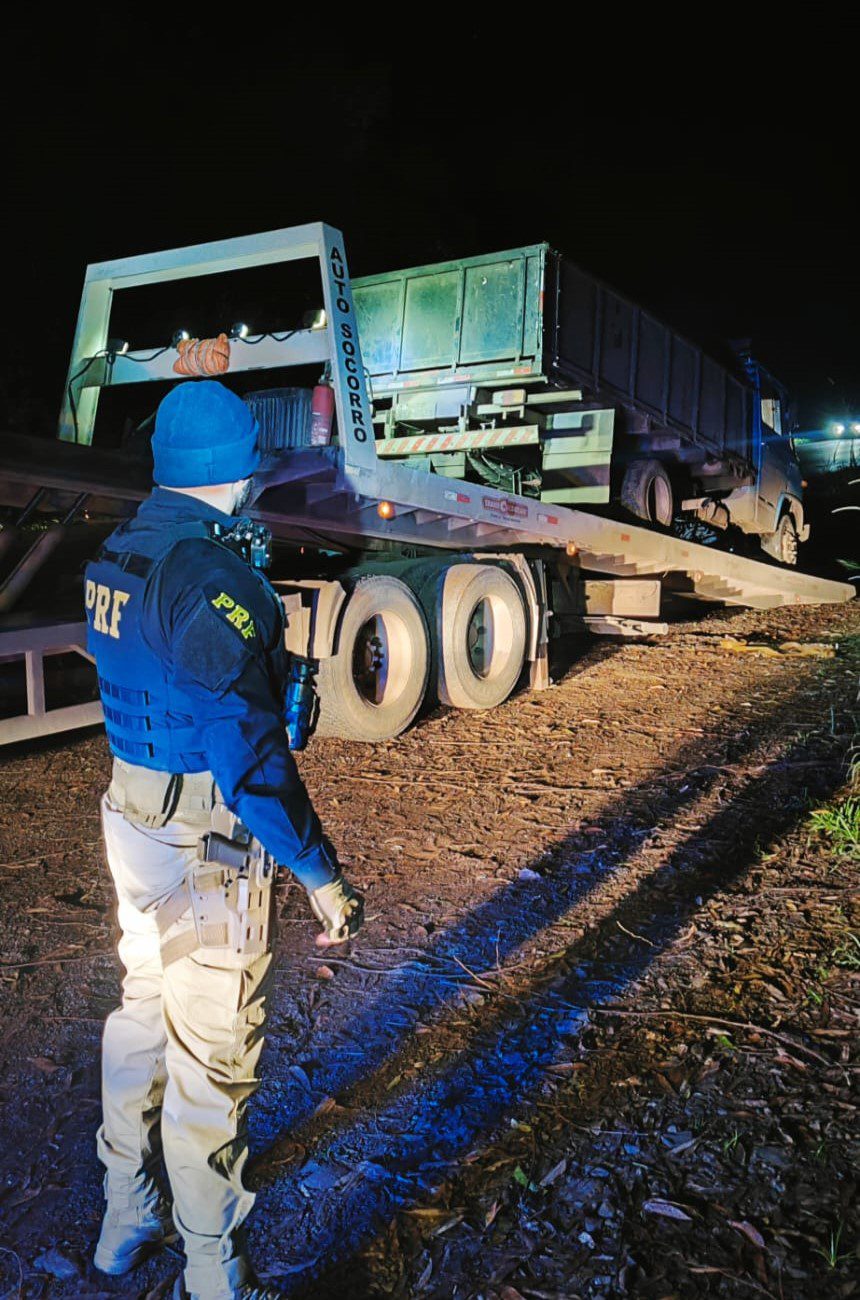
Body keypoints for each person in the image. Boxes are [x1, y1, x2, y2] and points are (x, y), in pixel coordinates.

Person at [84, 379, 363, 1300]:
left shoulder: (119, 550)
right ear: (234, 472)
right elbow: (247, 755)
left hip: (132, 815)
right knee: (211, 1057)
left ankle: (125, 1215)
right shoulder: (207, 578)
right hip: (203, 840)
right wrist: (317, 870)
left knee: (139, 1011)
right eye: (252, 470)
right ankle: (214, 1272)